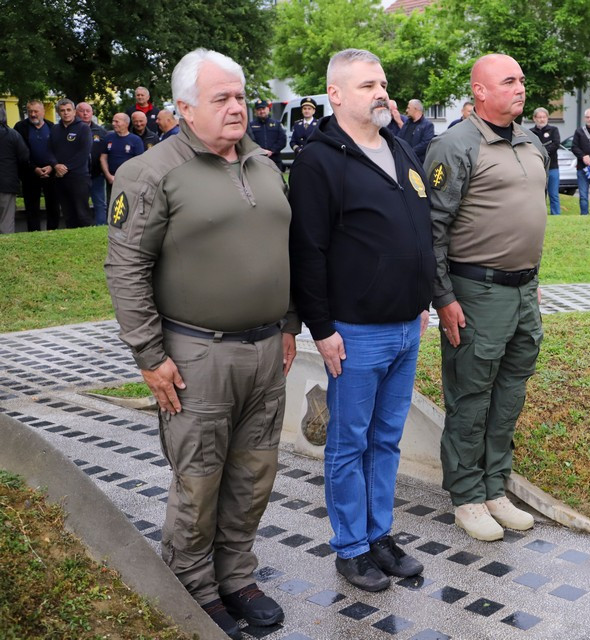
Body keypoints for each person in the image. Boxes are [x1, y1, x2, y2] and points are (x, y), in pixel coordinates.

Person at [104, 48, 299, 640]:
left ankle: (236, 574)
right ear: (184, 107)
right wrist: (149, 355)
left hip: (266, 350)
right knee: (200, 477)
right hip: (196, 356)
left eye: (240, 95)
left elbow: (281, 246)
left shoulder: (264, 164)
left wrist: (288, 323)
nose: (237, 106)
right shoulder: (151, 172)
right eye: (222, 98)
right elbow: (126, 267)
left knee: (255, 469)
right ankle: (193, 583)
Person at [288, 48, 434, 593]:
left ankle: (379, 535)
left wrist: (421, 301)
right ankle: (350, 547)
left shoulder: (399, 149)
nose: (381, 92)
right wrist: (322, 329)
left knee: (386, 440)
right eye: (369, 84)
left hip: (405, 326)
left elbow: (421, 231)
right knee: (349, 442)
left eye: (384, 83)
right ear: (336, 94)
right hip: (354, 332)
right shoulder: (318, 161)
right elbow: (307, 251)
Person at [424, 53, 547, 542]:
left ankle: (496, 486)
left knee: (510, 391)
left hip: (523, 291)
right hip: (475, 292)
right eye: (509, 80)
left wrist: (531, 285)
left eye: (521, 78)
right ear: (478, 90)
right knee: (471, 394)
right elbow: (432, 229)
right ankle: (467, 495)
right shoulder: (455, 145)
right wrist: (443, 298)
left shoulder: (530, 140)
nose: (520, 87)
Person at [14, 100, 60, 231]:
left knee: (53, 205)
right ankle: (34, 232)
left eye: (36, 111)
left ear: (43, 112)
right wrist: (34, 168)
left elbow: (58, 150)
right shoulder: (20, 127)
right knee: (31, 206)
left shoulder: (53, 127)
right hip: (30, 173)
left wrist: (52, 166)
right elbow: (19, 151)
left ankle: (53, 231)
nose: (33, 114)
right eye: (30, 112)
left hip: (51, 172)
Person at [50, 98, 93, 228]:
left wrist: (66, 168)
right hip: (60, 177)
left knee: (82, 213)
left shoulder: (83, 128)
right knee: (68, 213)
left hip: (78, 177)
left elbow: (83, 153)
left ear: (74, 112)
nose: (66, 113)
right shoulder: (55, 129)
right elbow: (49, 150)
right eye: (62, 110)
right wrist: (55, 165)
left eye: (68, 110)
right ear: (58, 112)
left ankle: (87, 239)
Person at [76, 102, 108, 225]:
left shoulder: (101, 132)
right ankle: (83, 227)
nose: (85, 114)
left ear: (92, 113)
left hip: (96, 174)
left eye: (88, 111)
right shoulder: (73, 129)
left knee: (100, 203)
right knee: (80, 204)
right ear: (76, 113)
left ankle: (100, 228)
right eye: (82, 111)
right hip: (79, 175)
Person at [0, 104, 29, 234]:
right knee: (6, 219)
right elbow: (24, 156)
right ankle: (7, 248)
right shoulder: (13, 134)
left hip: (7, 180)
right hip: (7, 181)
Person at [529, 107, 561, 216]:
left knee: (553, 194)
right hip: (537, 168)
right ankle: (539, 215)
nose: (542, 119)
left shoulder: (554, 130)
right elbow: (529, 147)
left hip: (552, 167)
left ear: (547, 118)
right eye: (539, 117)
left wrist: (542, 152)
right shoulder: (530, 132)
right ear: (534, 118)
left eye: (544, 117)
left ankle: (556, 215)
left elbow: (555, 144)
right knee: (538, 194)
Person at [100, 113, 144, 185]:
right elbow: (103, 158)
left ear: (126, 124)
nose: (113, 124)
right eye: (113, 121)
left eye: (117, 121)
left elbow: (139, 162)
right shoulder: (108, 137)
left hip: (129, 181)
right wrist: (108, 176)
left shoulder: (136, 140)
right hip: (111, 180)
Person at [247, 100, 286, 171]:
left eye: (263, 109)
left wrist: (272, 151)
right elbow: (249, 141)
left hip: (275, 160)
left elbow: (282, 140)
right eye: (259, 109)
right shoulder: (251, 126)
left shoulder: (276, 124)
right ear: (255, 112)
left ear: (268, 109)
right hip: (258, 160)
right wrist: (261, 151)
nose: (261, 111)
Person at [398, 99, 434, 163]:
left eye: (408, 108)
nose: (406, 110)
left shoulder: (427, 125)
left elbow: (426, 143)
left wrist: (410, 152)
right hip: (404, 160)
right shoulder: (407, 123)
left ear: (415, 109)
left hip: (418, 162)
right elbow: (399, 138)